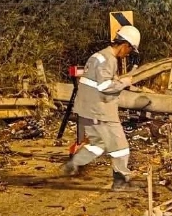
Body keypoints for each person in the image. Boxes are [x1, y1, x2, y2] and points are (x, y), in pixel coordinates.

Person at [59, 25, 143, 192]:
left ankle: (73, 163)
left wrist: (118, 81)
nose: (128, 54)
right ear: (124, 44)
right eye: (129, 50)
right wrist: (124, 82)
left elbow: (99, 81)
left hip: (87, 108)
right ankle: (121, 181)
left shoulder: (99, 57)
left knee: (99, 144)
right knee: (121, 146)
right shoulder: (108, 59)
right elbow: (105, 86)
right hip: (100, 109)